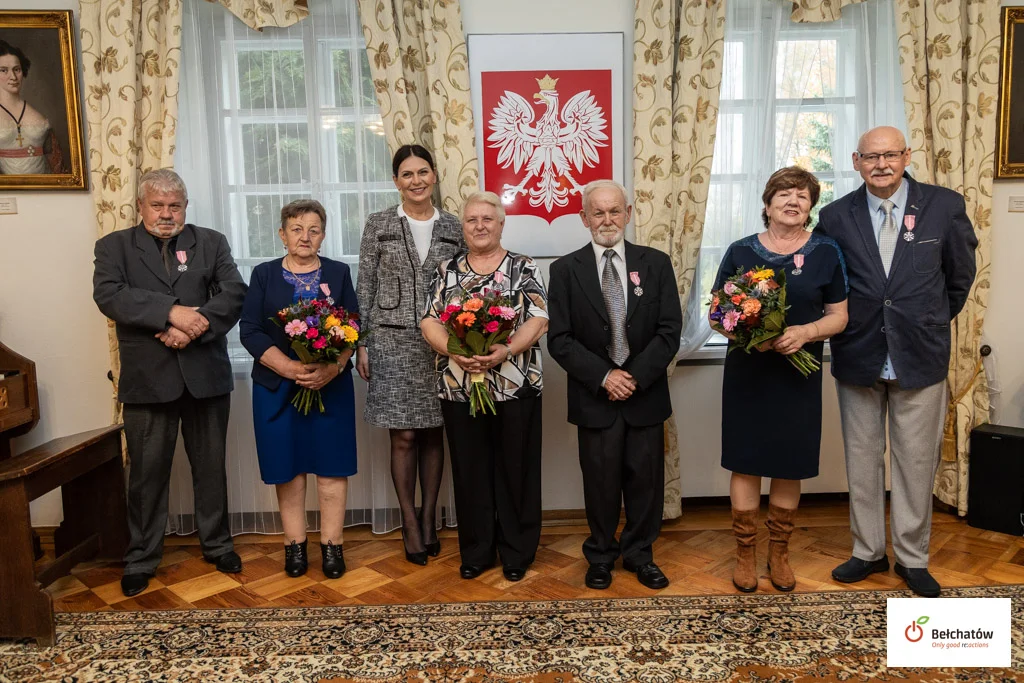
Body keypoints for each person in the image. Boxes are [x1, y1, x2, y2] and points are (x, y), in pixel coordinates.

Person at [818, 126, 978, 598]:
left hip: (920, 355)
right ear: (855, 161)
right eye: (871, 156)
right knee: (863, 459)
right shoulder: (834, 216)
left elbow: (960, 277)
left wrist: (925, 320)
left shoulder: (944, 206)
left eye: (890, 154)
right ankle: (868, 551)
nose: (881, 164)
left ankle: (912, 557)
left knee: (915, 461)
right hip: (859, 353)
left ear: (907, 156)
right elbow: (831, 286)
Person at [92, 169, 246, 597]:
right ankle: (141, 557)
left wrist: (190, 327)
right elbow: (110, 296)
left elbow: (233, 292)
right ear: (140, 207)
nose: (166, 214)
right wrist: (171, 312)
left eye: (174, 206)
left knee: (211, 469)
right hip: (147, 382)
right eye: (157, 205)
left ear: (185, 207)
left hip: (205, 378)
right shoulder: (114, 247)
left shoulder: (210, 242)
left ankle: (217, 545)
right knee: (146, 475)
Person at [710, 166, 849, 593]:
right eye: (784, 194)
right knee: (747, 462)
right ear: (767, 204)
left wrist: (806, 333)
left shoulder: (827, 251)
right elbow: (717, 315)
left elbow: (840, 316)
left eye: (803, 196)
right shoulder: (740, 251)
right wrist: (756, 336)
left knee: (790, 463)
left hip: (798, 377)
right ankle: (746, 553)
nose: (793, 201)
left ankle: (780, 553)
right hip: (750, 373)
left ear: (810, 207)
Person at [547, 180, 682, 591]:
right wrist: (605, 376)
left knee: (645, 481)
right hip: (595, 397)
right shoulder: (564, 270)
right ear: (584, 218)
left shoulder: (655, 263)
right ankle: (601, 554)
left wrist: (634, 376)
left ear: (628, 212)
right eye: (598, 213)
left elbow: (669, 331)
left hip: (645, 394)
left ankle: (640, 554)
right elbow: (560, 339)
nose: (607, 220)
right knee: (601, 482)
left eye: (615, 211)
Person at [421, 191, 549, 582]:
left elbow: (538, 318)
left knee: (517, 470)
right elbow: (428, 321)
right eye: (472, 220)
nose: (479, 226)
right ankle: (476, 550)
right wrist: (456, 350)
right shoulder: (446, 270)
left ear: (501, 223)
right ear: (463, 227)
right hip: (460, 387)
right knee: (471, 470)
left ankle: (517, 552)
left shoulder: (523, 267)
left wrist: (505, 350)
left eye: (487, 219)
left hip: (516, 385)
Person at [356, 144, 465, 565]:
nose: (416, 180)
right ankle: (409, 522)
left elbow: (464, 285)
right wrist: (362, 342)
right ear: (396, 181)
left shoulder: (454, 226)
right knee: (403, 436)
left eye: (423, 172)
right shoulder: (379, 224)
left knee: (435, 432)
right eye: (407, 174)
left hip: (441, 343)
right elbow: (364, 283)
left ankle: (430, 515)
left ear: (434, 176)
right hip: (391, 341)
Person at [239, 200, 357, 579]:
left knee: (331, 469)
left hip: (330, 388)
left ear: (323, 235)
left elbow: (353, 327)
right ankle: (294, 547)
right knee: (288, 470)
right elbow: (250, 330)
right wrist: (289, 367)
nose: (305, 237)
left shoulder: (338, 274)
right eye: (296, 228)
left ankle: (332, 547)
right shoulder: (263, 275)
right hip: (276, 388)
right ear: (282, 234)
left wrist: (333, 367)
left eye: (314, 229)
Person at [0, 40, 65, 174]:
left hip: (43, 187)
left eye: (16, 70)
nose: (13, 77)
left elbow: (56, 162)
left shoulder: (37, 116)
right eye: (4, 70)